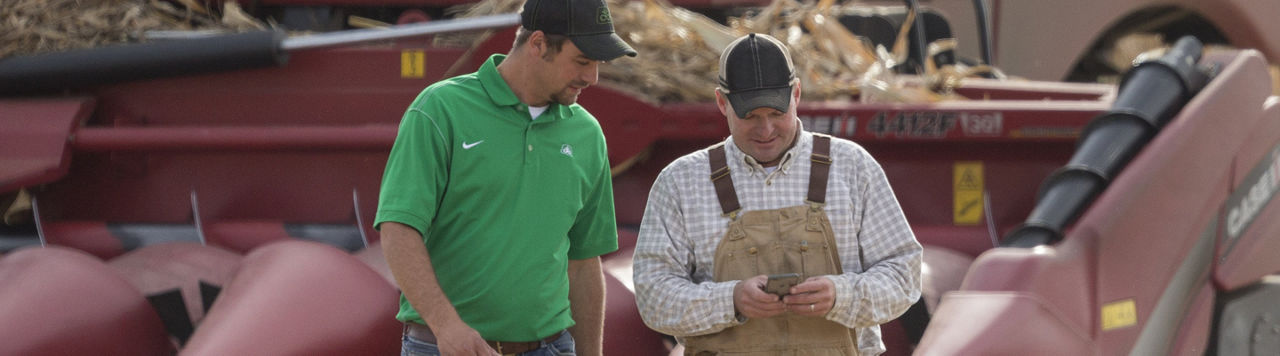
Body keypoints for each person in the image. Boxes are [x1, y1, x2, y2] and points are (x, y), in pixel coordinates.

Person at [632, 33, 922, 356]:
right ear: (721, 102)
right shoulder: (680, 183)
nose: (766, 129)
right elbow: (652, 296)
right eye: (751, 116)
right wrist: (731, 300)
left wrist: (840, 295)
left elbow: (904, 274)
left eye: (776, 113)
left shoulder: (852, 168)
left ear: (796, 94)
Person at [374, 0, 636, 354]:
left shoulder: (586, 134)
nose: (592, 78)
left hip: (551, 348)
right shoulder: (440, 109)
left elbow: (584, 262)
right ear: (538, 44)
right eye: (583, 61)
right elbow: (398, 228)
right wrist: (446, 326)